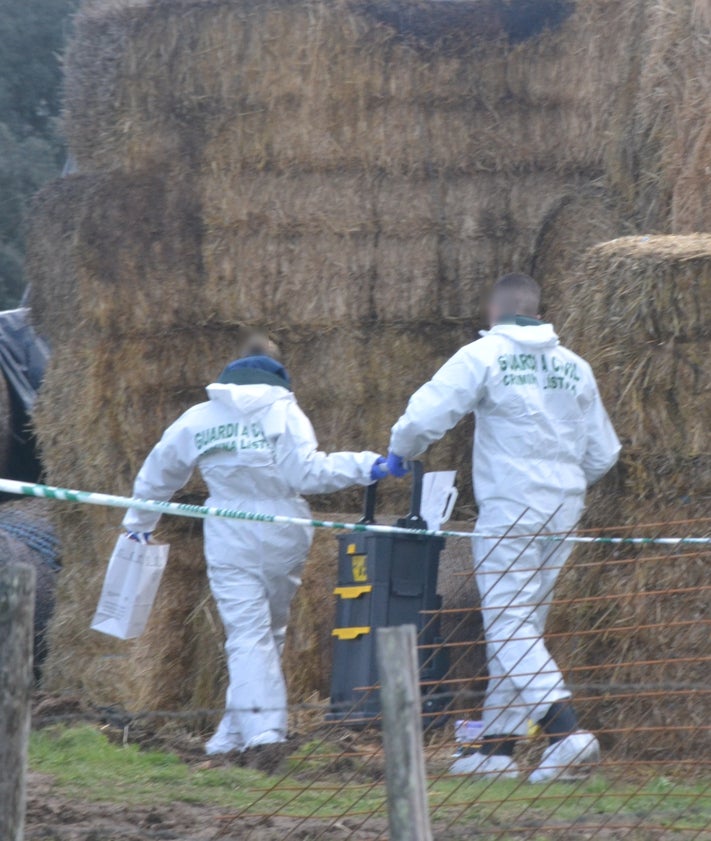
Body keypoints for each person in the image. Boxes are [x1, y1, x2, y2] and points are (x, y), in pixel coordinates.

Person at [387, 274, 620, 783]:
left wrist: (399, 452)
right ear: (537, 310)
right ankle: (496, 750)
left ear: (494, 310)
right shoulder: (574, 366)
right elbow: (604, 452)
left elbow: (428, 412)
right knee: (521, 625)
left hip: (512, 505)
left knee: (507, 623)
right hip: (563, 508)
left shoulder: (485, 355)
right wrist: (562, 484)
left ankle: (565, 733)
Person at [123, 335, 387, 755]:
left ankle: (263, 733)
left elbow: (160, 470)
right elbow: (308, 474)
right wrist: (367, 465)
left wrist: (139, 522)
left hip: (230, 528)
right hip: (284, 528)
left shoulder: (200, 417)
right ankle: (231, 734)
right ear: (278, 371)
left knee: (247, 634)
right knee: (268, 632)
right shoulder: (285, 411)